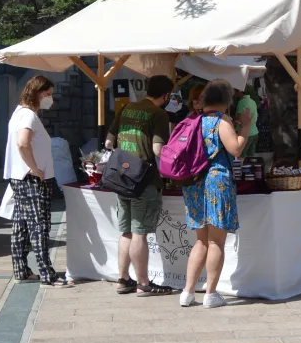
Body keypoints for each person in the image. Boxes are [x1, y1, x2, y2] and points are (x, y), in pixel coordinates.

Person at [180, 80, 252, 309]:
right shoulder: (220, 121)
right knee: (216, 242)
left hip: (193, 185)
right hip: (215, 183)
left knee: (201, 240)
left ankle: (187, 292)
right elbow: (236, 149)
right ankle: (210, 294)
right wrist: (246, 127)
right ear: (227, 100)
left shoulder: (194, 120)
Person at [104, 74, 174, 297]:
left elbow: (108, 142)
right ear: (166, 95)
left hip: (121, 179)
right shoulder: (158, 114)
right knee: (139, 233)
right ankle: (144, 283)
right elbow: (157, 150)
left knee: (126, 231)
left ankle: (123, 279)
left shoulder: (126, 109)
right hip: (144, 179)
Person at [4, 75, 73, 287]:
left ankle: (21, 269)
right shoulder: (28, 117)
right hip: (32, 179)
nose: (50, 98)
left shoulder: (18, 113)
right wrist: (35, 168)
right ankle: (46, 273)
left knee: (21, 225)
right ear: (38, 92)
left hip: (19, 177)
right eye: (49, 94)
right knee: (39, 225)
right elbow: (23, 143)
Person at [234, 87, 261, 158]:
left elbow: (240, 119)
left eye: (235, 91)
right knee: (251, 158)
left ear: (240, 91)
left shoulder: (242, 102)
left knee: (241, 158)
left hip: (246, 134)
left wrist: (234, 121)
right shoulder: (253, 101)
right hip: (255, 132)